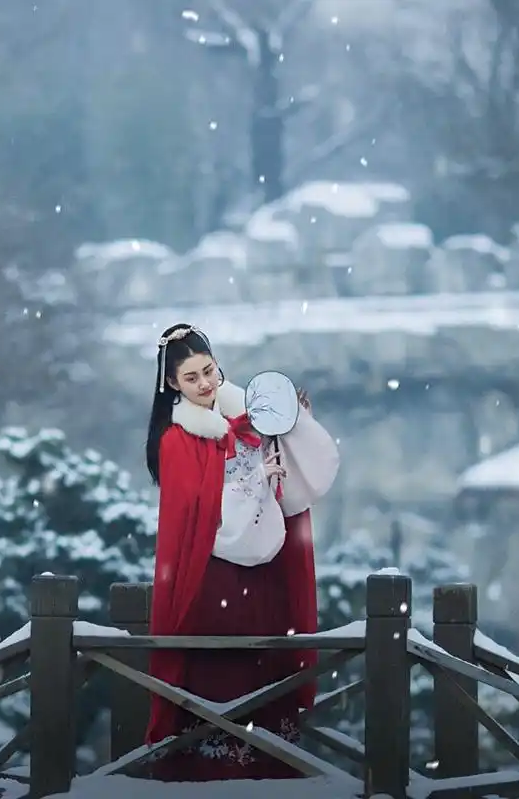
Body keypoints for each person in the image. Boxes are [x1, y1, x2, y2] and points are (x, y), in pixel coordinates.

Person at [144, 323, 340, 781]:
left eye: (209, 371)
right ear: (172, 383)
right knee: (222, 669)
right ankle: (211, 772)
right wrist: (254, 480)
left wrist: (292, 427)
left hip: (265, 570)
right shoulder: (176, 439)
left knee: (267, 666)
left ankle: (270, 766)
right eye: (191, 377)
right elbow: (198, 512)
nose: (205, 383)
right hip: (213, 576)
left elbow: (290, 483)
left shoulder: (249, 417)